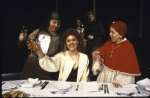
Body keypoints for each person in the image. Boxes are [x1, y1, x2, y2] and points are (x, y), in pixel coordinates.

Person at [92, 21, 141, 87]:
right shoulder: (108, 43)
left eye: (112, 32)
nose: (109, 34)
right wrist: (97, 57)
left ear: (120, 34)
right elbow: (101, 60)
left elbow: (128, 69)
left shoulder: (128, 46)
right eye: (110, 32)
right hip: (104, 76)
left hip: (117, 79)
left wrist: (119, 81)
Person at [18, 11, 62, 80]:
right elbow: (25, 44)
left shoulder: (60, 38)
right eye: (54, 22)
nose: (56, 25)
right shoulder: (38, 31)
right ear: (49, 22)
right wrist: (22, 40)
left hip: (47, 66)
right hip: (32, 64)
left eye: (58, 23)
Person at [83, 11, 104, 81]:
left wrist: (93, 36)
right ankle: (90, 75)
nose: (90, 18)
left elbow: (102, 32)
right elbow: (84, 35)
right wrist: (87, 36)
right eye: (89, 17)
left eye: (91, 16)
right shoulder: (87, 25)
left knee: (97, 60)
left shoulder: (98, 23)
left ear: (93, 17)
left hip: (96, 44)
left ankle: (97, 76)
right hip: (89, 45)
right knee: (89, 59)